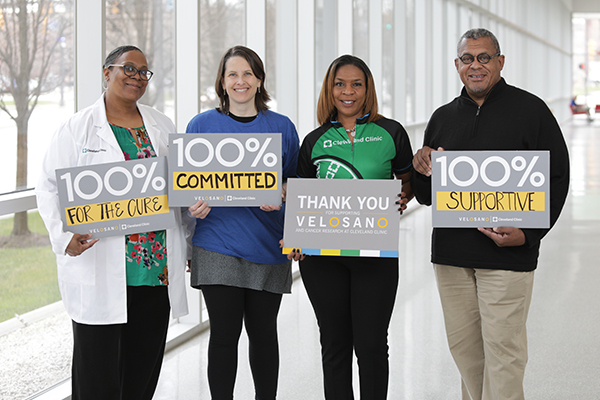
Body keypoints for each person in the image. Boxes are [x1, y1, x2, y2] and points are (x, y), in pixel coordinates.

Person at [412, 28, 570, 400]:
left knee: (503, 352)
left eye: (484, 57)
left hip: (508, 254)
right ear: (457, 65)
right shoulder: (442, 117)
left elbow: (557, 177)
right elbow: (427, 195)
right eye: (468, 58)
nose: (476, 65)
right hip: (452, 258)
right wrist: (419, 166)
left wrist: (530, 233)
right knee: (465, 353)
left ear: (500, 62)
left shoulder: (532, 111)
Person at [36, 45, 192, 400]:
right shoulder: (77, 129)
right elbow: (48, 186)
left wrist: (187, 243)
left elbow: (179, 190)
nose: (137, 77)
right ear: (107, 73)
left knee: (141, 375)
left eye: (143, 72)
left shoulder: (161, 126)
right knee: (96, 379)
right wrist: (64, 236)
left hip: (154, 275)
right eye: (128, 68)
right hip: (101, 270)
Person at [293, 54, 413, 399]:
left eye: (356, 84)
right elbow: (304, 197)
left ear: (368, 88)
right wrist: (297, 237)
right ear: (329, 90)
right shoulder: (314, 140)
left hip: (374, 254)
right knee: (334, 346)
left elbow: (408, 182)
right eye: (340, 84)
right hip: (322, 259)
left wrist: (403, 197)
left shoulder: (391, 132)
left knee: (372, 346)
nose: (348, 91)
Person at [185, 45, 300, 400]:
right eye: (232, 74)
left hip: (267, 244)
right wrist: (193, 208)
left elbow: (295, 185)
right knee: (223, 334)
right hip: (216, 243)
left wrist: (280, 194)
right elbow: (186, 185)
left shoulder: (281, 127)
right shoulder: (201, 125)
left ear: (260, 79)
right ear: (222, 81)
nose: (240, 81)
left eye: (248, 73)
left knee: (264, 333)